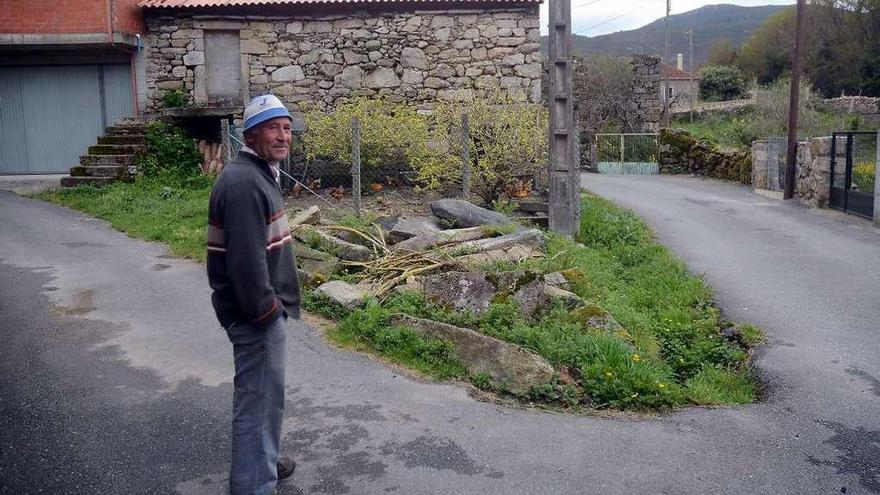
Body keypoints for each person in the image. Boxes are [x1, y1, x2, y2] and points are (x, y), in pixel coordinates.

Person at [207, 94, 300, 495]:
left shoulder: (257, 173)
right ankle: (252, 484)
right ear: (250, 133)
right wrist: (267, 314)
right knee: (258, 401)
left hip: (258, 312)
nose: (283, 136)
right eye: (273, 127)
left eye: (286, 128)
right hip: (256, 316)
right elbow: (245, 266)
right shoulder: (245, 183)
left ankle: (265, 460)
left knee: (265, 397)